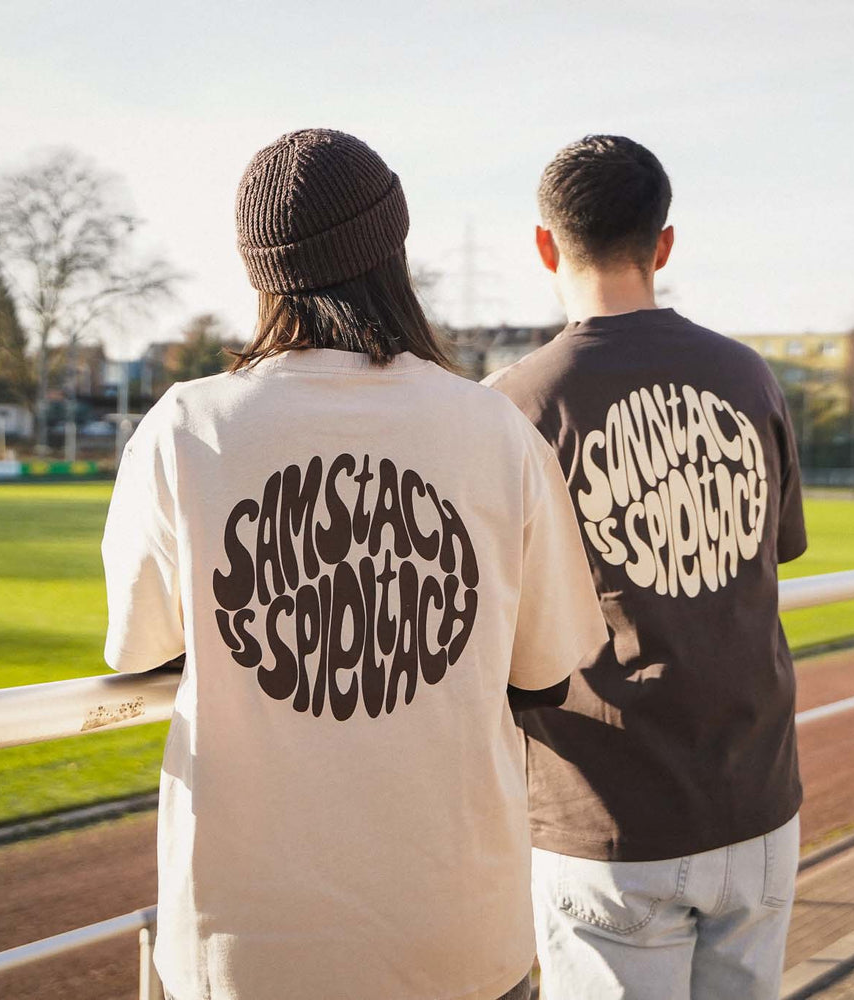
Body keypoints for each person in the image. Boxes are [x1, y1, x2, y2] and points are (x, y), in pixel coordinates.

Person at [101, 129, 608, 1000]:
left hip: (245, 955)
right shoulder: (495, 430)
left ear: (259, 270)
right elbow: (546, 675)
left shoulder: (184, 428)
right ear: (394, 250)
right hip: (459, 944)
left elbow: (140, 655)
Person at [485, 135, 809, 1000]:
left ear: (547, 246)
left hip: (605, 818)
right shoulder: (748, 375)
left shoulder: (512, 407)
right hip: (758, 800)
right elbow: (765, 555)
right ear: (663, 244)